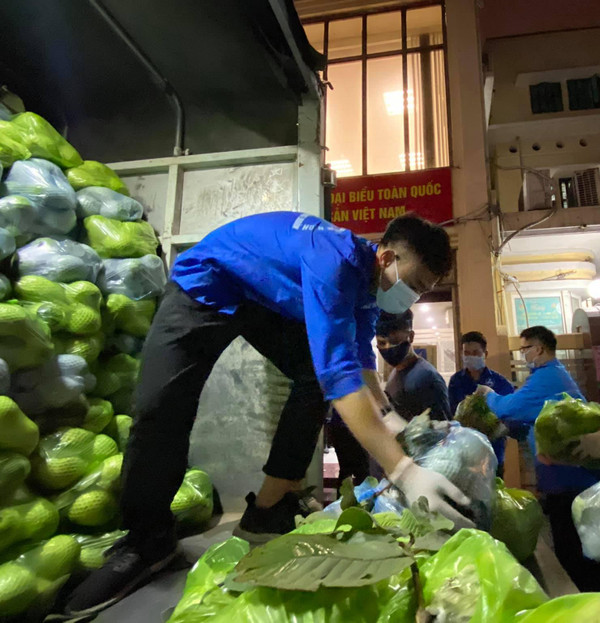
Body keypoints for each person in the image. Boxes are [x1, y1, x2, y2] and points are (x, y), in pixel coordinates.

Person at [65, 211, 472, 616]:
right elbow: (338, 372)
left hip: (259, 301)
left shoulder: (368, 284)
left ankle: (267, 509)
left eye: (422, 291)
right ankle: (146, 540)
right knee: (161, 406)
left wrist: (387, 415)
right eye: (414, 285)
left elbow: (360, 355)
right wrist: (402, 470)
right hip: (205, 286)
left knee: (312, 376)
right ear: (387, 259)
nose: (413, 297)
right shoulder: (333, 262)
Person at [479, 326, 600, 603]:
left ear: (538, 349)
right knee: (575, 552)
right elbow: (534, 418)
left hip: (571, 481)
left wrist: (487, 395)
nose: (523, 355)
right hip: (565, 479)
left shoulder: (548, 377)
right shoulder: (550, 375)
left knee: (578, 555)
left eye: (525, 349)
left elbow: (508, 407)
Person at [448, 331, 515, 469]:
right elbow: (451, 412)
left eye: (475, 353)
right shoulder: (456, 381)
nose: (470, 357)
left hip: (493, 452)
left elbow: (510, 414)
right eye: (466, 353)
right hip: (465, 452)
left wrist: (497, 429)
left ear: (485, 353)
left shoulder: (500, 382)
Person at [377, 309, 451, 421]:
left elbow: (442, 428)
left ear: (411, 336)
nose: (388, 347)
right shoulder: (395, 373)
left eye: (394, 340)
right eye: (382, 343)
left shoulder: (427, 378)